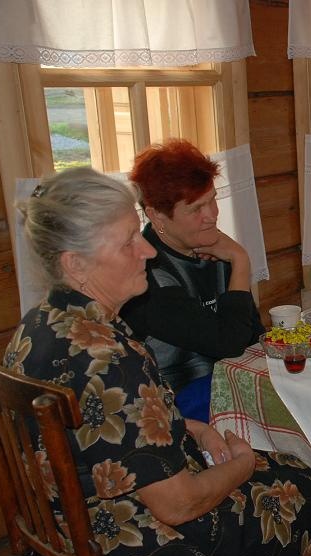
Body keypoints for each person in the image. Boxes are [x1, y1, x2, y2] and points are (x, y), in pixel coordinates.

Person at [5, 167, 311, 556]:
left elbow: (106, 430)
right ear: (75, 264)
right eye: (128, 243)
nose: (148, 252)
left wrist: (192, 428)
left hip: (69, 527)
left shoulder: (37, 327)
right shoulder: (112, 359)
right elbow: (178, 505)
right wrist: (242, 467)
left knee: (285, 468)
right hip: (138, 549)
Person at [120, 139, 264, 422]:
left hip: (230, 389)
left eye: (212, 200)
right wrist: (241, 260)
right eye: (196, 209)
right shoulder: (145, 277)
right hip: (175, 411)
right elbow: (229, 343)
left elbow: (252, 336)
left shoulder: (214, 249)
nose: (212, 215)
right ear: (156, 215)